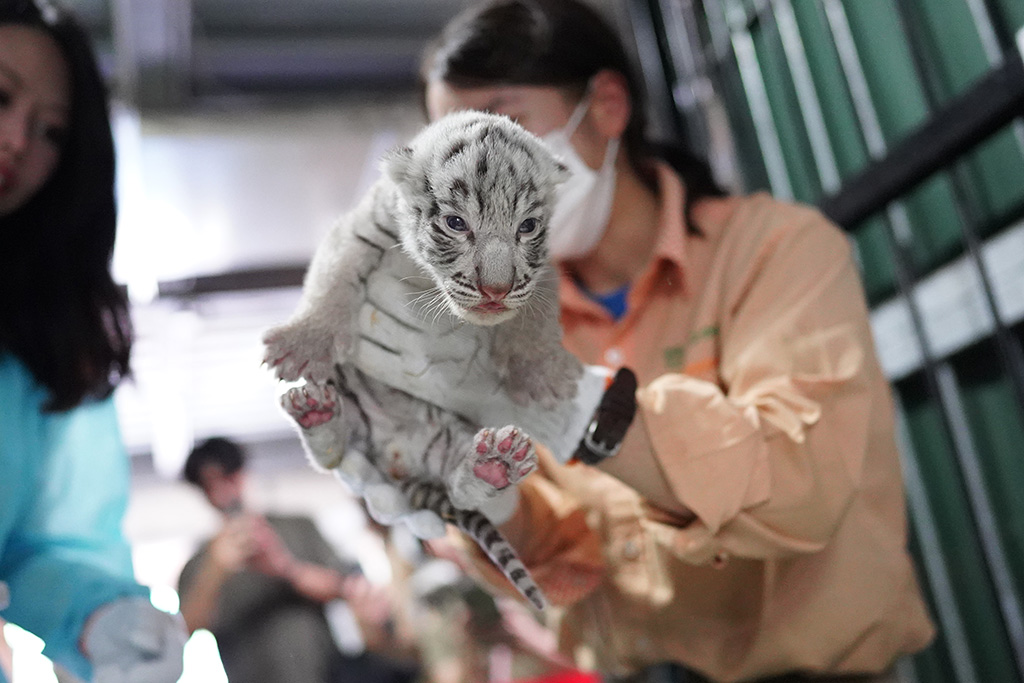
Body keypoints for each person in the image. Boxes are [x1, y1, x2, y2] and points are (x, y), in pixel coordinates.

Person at [409, 1, 937, 681]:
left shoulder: (773, 252)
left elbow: (799, 482)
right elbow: (557, 561)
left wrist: (582, 410)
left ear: (606, 105)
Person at [0, 1, 187, 682]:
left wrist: (102, 615)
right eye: (1, 96)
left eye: (51, 131)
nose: (19, 141)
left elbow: (50, 543)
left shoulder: (38, 348)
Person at [177, 436, 421, 683]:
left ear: (242, 473)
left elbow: (349, 588)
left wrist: (284, 569)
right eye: (209, 486)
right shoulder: (199, 563)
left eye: (228, 478)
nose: (222, 493)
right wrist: (214, 570)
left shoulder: (298, 528)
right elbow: (184, 630)